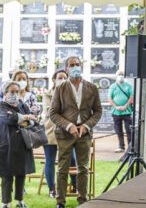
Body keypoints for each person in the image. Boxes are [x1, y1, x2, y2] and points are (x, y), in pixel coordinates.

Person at [50, 56, 102, 208]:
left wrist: (86, 126)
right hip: (65, 134)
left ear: (82, 66)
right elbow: (53, 113)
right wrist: (68, 126)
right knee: (62, 168)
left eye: (77, 64)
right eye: (71, 65)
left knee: (83, 169)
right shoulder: (60, 88)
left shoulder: (91, 88)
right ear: (66, 69)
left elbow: (98, 111)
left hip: (84, 134)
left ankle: (83, 200)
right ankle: (60, 202)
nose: (75, 67)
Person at [0, 80, 36, 208]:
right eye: (12, 92)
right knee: (7, 174)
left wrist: (23, 118)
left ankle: (20, 202)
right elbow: (9, 119)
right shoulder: (2, 106)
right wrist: (26, 117)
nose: (14, 94)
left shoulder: (22, 104)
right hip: (6, 145)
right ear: (5, 93)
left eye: (17, 91)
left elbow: (33, 122)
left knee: (21, 174)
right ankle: (5, 203)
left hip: (22, 144)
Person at [42, 70, 77, 198]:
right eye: (60, 77)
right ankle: (52, 189)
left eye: (64, 77)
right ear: (54, 79)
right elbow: (50, 111)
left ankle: (75, 186)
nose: (62, 79)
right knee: (50, 161)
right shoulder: (47, 94)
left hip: (67, 132)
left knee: (72, 159)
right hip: (51, 132)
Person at [108, 70, 133, 152]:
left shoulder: (128, 86)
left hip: (127, 111)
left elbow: (131, 97)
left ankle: (130, 147)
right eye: (119, 74)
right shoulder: (113, 86)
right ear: (116, 76)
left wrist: (125, 105)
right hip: (116, 112)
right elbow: (110, 98)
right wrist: (116, 107)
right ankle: (121, 146)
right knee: (119, 130)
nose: (121, 76)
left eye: (122, 75)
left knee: (129, 130)